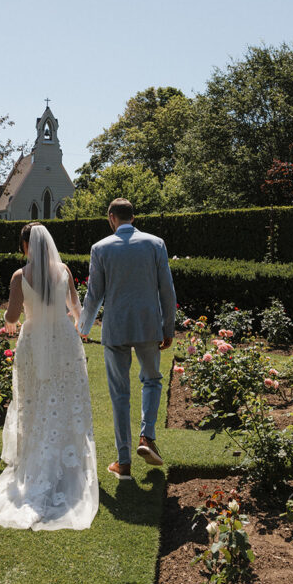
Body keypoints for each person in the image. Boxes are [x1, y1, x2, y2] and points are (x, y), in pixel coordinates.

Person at [0, 222, 99, 530]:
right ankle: (66, 463)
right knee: (65, 398)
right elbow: (76, 307)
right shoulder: (65, 271)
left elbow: (13, 316)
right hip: (64, 342)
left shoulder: (20, 276)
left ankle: (35, 459)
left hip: (33, 341)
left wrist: (5, 320)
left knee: (33, 398)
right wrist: (74, 324)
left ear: (25, 246)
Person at [79, 198, 177, 481]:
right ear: (133, 217)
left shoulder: (100, 248)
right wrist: (167, 327)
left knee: (120, 394)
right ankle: (146, 437)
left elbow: (94, 293)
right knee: (152, 380)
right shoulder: (155, 243)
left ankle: (123, 464)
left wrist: (84, 327)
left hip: (116, 328)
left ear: (112, 218)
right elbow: (166, 290)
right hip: (148, 325)